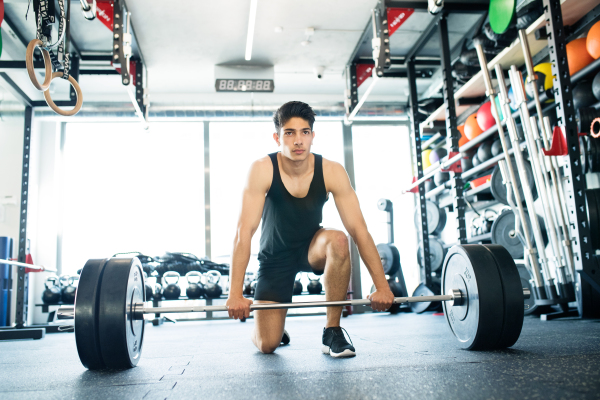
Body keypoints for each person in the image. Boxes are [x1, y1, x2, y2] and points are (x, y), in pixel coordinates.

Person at [226, 101, 394, 358]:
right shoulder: (261, 169)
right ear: (277, 137)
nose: (298, 141)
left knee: (338, 239)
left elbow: (360, 231)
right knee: (267, 345)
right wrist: (235, 294)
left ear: (313, 136)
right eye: (289, 133)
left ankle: (333, 330)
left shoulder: (332, 171)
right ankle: (271, 325)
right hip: (275, 258)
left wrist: (382, 286)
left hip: (311, 249)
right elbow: (243, 233)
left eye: (304, 132)